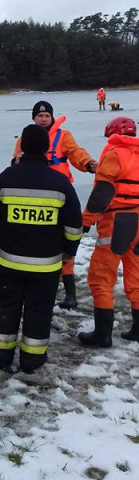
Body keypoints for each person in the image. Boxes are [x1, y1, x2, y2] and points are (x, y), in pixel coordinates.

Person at [0, 124, 83, 373]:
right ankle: (32, 360)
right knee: (39, 310)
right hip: (46, 265)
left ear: (22, 147)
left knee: (5, 307)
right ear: (48, 149)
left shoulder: (6, 177)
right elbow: (74, 224)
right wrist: (70, 250)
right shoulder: (60, 182)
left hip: (8, 262)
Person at [13, 101, 97, 310]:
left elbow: (76, 153)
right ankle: (35, 282)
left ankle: (70, 294)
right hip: (34, 194)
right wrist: (17, 162)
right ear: (34, 118)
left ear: (51, 117)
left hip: (59, 194)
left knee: (63, 239)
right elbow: (16, 159)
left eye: (47, 116)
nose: (43, 118)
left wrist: (88, 164)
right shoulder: (25, 137)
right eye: (40, 116)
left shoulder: (63, 136)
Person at [79, 116, 139, 347]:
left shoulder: (114, 153)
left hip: (117, 222)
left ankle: (102, 335)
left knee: (101, 278)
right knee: (136, 276)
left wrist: (85, 222)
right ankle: (137, 329)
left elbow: (103, 193)